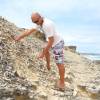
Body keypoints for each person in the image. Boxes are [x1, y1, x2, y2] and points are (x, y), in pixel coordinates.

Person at [14, 12, 65, 90]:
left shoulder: (47, 25)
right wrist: (19, 37)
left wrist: (42, 54)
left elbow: (51, 41)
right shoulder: (39, 22)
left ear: (41, 17)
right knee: (45, 49)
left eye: (36, 21)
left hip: (57, 43)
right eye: (33, 22)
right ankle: (48, 65)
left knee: (59, 63)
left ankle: (62, 83)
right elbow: (29, 31)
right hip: (51, 41)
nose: (35, 23)